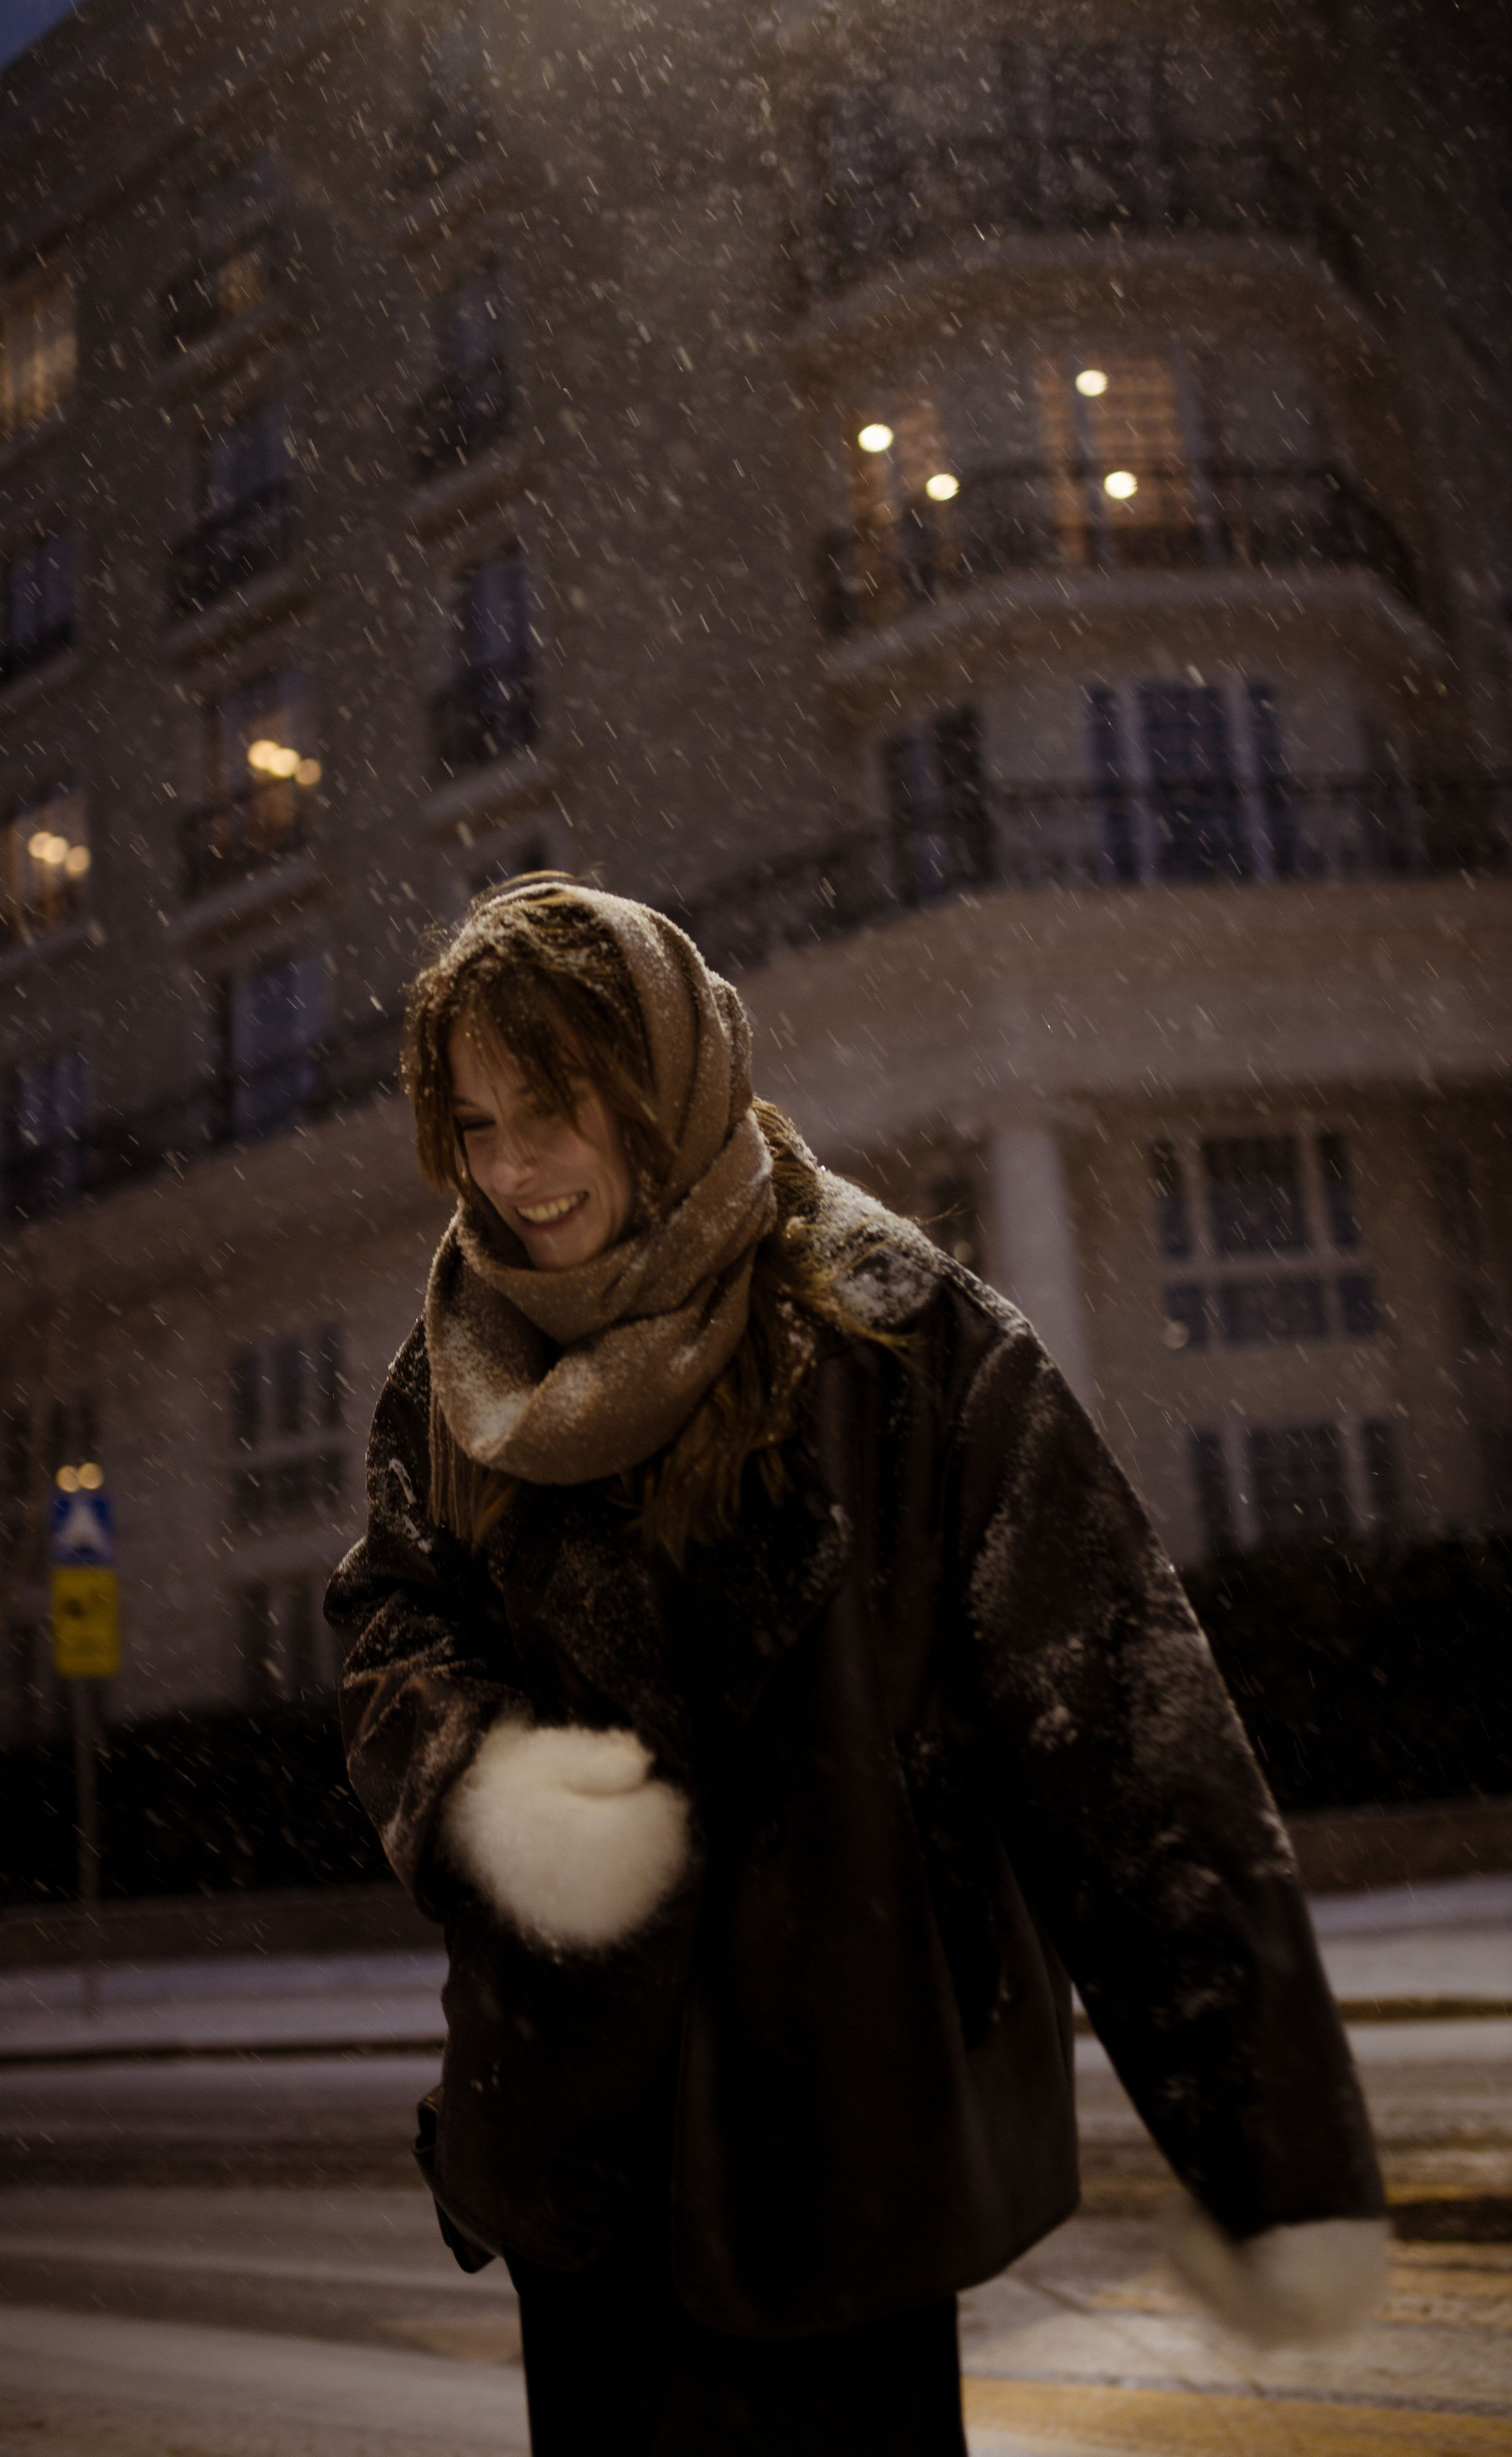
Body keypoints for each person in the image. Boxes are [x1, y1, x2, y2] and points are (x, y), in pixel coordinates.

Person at [327, 875, 1387, 2455]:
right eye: (473, 1124)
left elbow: (1131, 1757)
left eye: (550, 1108)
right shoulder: (459, 1362)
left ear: (663, 1082)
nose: (512, 1172)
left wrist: (1275, 2161)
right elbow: (387, 1629)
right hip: (584, 2169)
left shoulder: (906, 1347)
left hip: (846, 2152)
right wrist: (485, 1784)